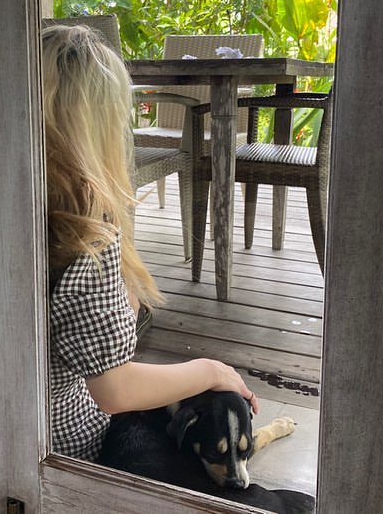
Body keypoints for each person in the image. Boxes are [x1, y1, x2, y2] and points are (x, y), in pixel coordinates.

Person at [42, 23, 257, 461]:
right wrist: (210, 370)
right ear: (100, 123)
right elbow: (115, 391)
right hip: (61, 446)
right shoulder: (83, 230)